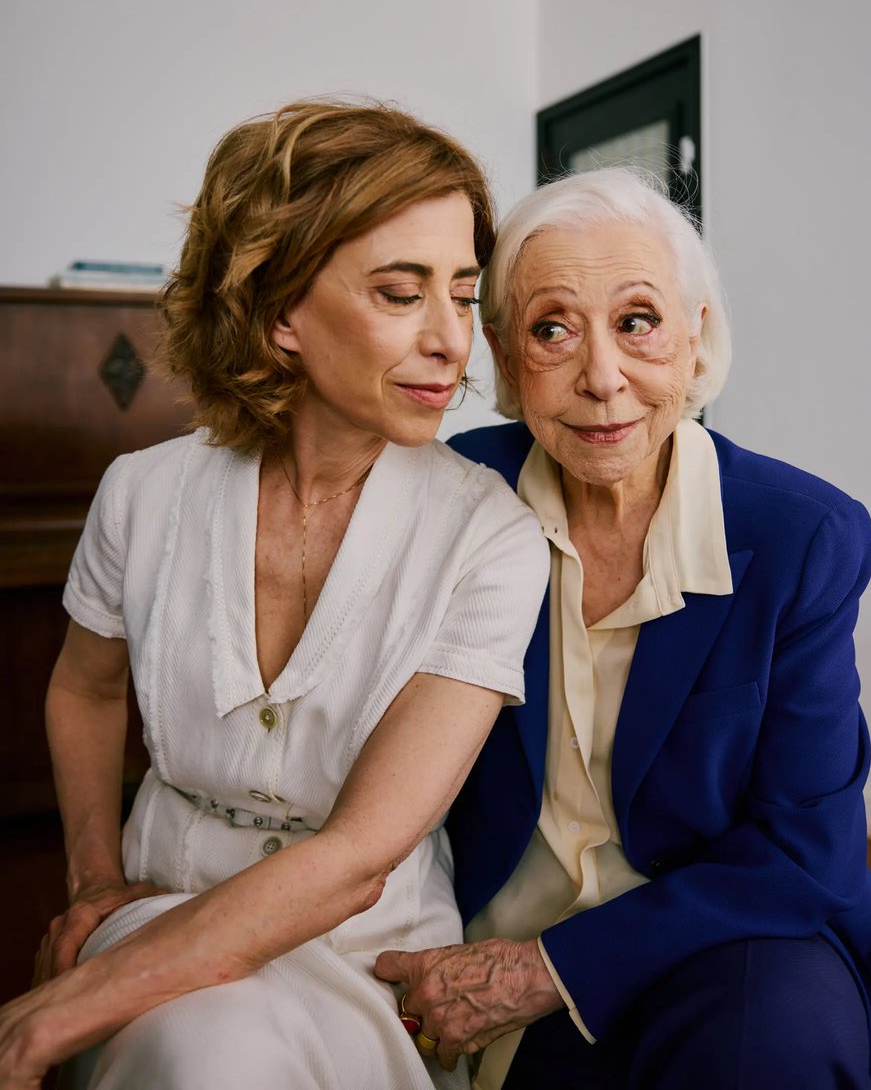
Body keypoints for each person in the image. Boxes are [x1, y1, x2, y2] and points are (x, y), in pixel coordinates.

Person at [0, 100, 549, 1090]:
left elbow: (358, 855)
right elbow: (84, 689)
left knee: (212, 1052)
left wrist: (61, 1010)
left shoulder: (493, 538)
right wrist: (92, 884)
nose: (449, 340)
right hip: (157, 900)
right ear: (278, 309)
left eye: (463, 296)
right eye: (399, 292)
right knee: (198, 1045)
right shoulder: (143, 491)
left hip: (364, 952)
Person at [376, 167, 871, 1089]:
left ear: (695, 342)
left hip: (723, 939)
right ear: (503, 355)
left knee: (771, 1036)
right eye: (552, 329)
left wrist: (548, 972)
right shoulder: (453, 495)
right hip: (495, 936)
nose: (603, 379)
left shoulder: (799, 535)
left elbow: (802, 851)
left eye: (638, 321)